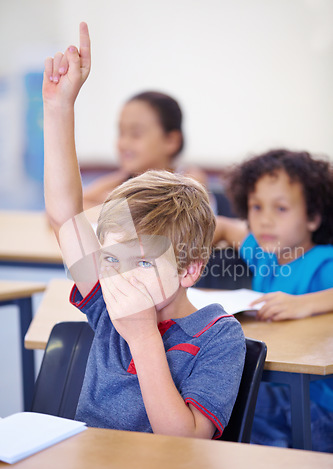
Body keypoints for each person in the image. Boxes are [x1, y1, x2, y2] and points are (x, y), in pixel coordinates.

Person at [42, 22, 245, 439]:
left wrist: (143, 337)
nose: (122, 275)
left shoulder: (219, 337)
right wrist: (59, 108)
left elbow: (184, 442)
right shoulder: (108, 299)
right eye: (113, 259)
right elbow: (65, 217)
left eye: (144, 263)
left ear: (189, 270)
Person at [213, 148, 333, 451]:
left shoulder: (323, 262)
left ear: (314, 217)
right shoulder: (265, 253)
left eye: (280, 209)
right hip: (277, 392)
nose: (264, 220)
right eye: (255, 207)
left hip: (319, 409)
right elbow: (226, 226)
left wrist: (305, 303)